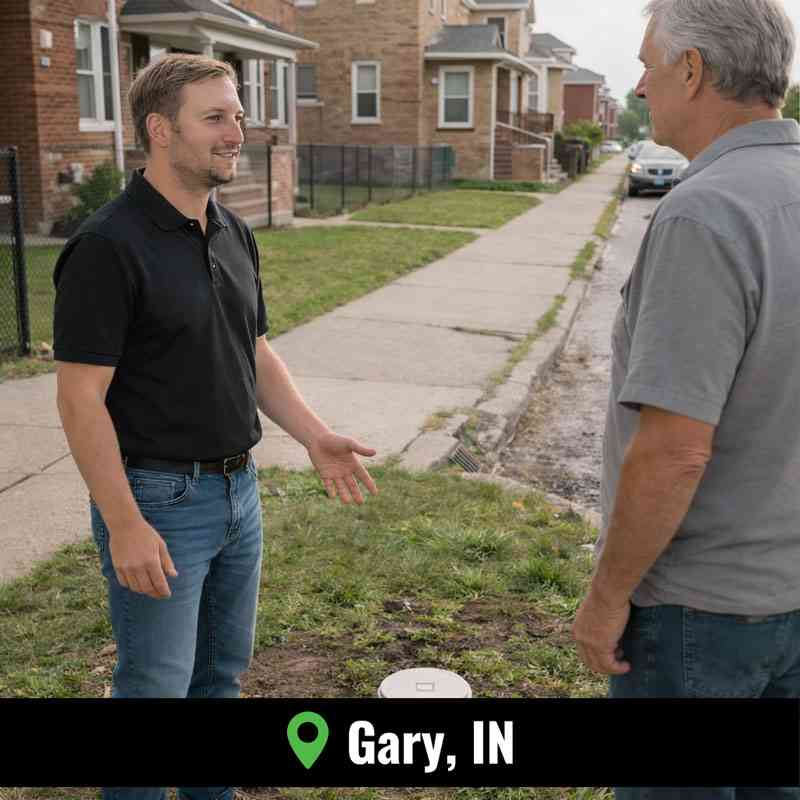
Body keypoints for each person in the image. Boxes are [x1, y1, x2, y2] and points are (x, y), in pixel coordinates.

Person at [53, 54, 378, 800]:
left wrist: (312, 434)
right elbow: (79, 401)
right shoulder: (109, 246)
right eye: (217, 117)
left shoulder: (231, 230)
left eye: (237, 114)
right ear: (160, 130)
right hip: (160, 502)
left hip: (239, 495)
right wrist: (124, 521)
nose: (238, 131)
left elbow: (252, 349)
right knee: (154, 693)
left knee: (220, 681)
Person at [572, 0, 800, 796]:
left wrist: (606, 599)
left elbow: (674, 451)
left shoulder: (706, 213)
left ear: (693, 71)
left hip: (700, 618)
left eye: (648, 64)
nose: (639, 86)